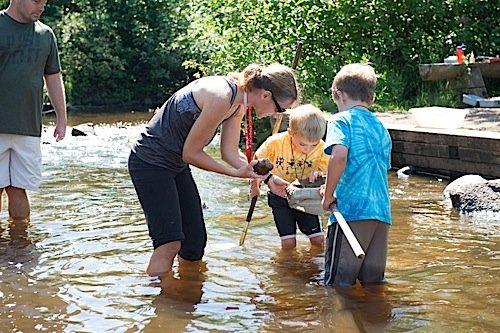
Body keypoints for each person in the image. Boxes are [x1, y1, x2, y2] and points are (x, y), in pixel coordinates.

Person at [128, 63, 300, 277]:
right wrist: (235, 174)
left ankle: (185, 295)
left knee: (194, 244)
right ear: (266, 95)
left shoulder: (238, 102)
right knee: (169, 243)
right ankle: (159, 302)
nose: (277, 115)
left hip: (174, 164)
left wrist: (267, 178)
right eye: (280, 109)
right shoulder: (222, 96)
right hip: (150, 163)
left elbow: (228, 152)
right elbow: (191, 153)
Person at [321, 63, 392, 287]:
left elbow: (339, 156)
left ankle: (339, 324)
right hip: (381, 214)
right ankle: (376, 320)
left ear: (338, 95)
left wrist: (328, 194)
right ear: (370, 98)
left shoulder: (341, 120)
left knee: (338, 287)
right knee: (373, 287)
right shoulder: (381, 127)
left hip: (351, 212)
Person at [0, 0, 67, 221]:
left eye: (44, 2)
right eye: (36, 1)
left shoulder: (45, 34)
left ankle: (20, 246)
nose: (41, 6)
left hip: (28, 127)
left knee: (20, 189)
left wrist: (62, 118)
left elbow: (54, 77)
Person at [251, 104, 329, 249]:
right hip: (279, 195)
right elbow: (256, 164)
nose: (307, 150)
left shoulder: (322, 148)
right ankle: (287, 270)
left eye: (313, 145)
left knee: (318, 240)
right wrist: (255, 187)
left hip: (305, 195)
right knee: (288, 243)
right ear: (290, 132)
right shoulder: (274, 143)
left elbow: (329, 171)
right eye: (303, 144)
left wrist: (320, 174)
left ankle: (314, 268)